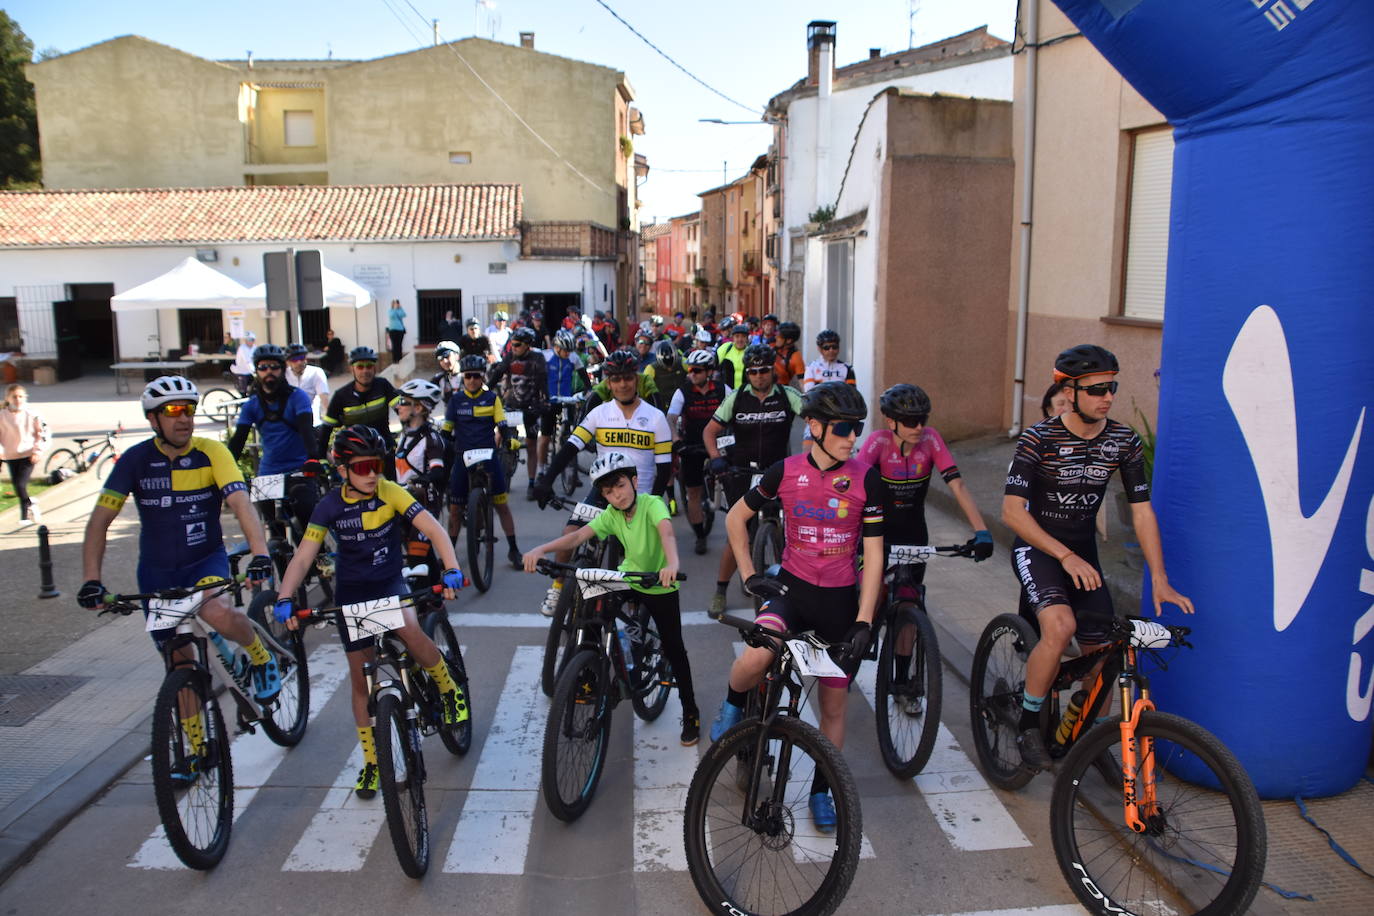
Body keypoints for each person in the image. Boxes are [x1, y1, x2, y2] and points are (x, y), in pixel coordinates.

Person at [1003, 344, 1193, 770]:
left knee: (1106, 650)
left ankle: (1085, 733)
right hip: (1040, 548)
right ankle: (1028, 723)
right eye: (1096, 389)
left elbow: (1142, 512)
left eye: (1113, 387)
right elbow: (1012, 512)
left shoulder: (1122, 440)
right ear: (1068, 392)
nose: (1107, 397)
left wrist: (1159, 577)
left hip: (1082, 553)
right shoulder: (1040, 438)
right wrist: (1065, 555)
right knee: (1059, 625)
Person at [709, 382, 886, 831]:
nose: (853, 437)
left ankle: (823, 791)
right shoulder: (785, 472)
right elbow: (735, 518)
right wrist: (748, 574)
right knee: (755, 657)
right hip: (790, 591)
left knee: (833, 707)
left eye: (858, 428)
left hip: (840, 602)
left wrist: (864, 622)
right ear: (815, 426)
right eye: (844, 428)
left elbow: (875, 557)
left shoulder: (867, 478)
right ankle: (732, 706)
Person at [272, 425, 467, 798]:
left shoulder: (390, 492)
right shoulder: (329, 505)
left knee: (411, 631)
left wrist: (452, 567)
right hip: (352, 595)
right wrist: (284, 597)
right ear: (342, 469)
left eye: (377, 465)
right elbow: (303, 557)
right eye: (362, 468)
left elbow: (436, 531)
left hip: (389, 584)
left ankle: (448, 687)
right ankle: (372, 763)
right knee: (360, 681)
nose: (373, 473)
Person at [78, 377, 280, 708]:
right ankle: (197, 753)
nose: (184, 418)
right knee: (180, 668)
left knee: (215, 610)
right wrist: (91, 580)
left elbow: (242, 503)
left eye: (188, 409)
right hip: (157, 574)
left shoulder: (211, 452)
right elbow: (99, 522)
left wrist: (259, 554)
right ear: (152, 419)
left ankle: (260, 656)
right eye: (173, 411)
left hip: (204, 559)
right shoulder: (136, 460)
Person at [523, 452, 700, 744]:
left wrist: (671, 564)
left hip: (658, 583)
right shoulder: (611, 515)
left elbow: (666, 533)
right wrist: (541, 550)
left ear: (633, 480)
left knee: (674, 649)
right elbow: (577, 538)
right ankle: (590, 668)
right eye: (607, 491)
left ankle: (690, 710)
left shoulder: (652, 504)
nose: (616, 495)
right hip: (628, 577)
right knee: (590, 602)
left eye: (619, 485)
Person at [532, 348, 673, 615]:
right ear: (608, 382)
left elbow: (664, 469)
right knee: (569, 533)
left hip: (639, 497)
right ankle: (558, 587)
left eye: (628, 378)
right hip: (603, 493)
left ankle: (634, 613)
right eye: (616, 379)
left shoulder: (655, 417)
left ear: (636, 380)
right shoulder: (600, 413)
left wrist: (652, 504)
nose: (622, 384)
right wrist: (546, 480)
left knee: (637, 568)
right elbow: (571, 447)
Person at [855, 383, 994, 597]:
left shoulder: (930, 439)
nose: (919, 427)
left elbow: (957, 484)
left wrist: (981, 532)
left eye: (923, 420)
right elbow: (853, 486)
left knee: (910, 599)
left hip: (914, 533)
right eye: (911, 422)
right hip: (877, 533)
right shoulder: (878, 442)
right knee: (872, 595)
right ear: (891, 422)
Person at [702, 343, 804, 616]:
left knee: (792, 528)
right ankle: (720, 590)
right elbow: (709, 432)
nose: (759, 376)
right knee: (737, 535)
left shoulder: (788, 395)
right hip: (742, 473)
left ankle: (791, 582)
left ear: (774, 371)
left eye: (764, 370)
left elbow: (816, 420)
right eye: (753, 371)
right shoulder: (735, 399)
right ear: (747, 373)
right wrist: (716, 458)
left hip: (780, 472)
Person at [444, 354, 523, 567]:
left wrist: (509, 440)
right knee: (454, 508)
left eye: (476, 376)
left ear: (482, 377)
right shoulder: (456, 400)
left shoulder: (492, 399)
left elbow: (502, 425)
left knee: (502, 505)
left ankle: (513, 549)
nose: (471, 380)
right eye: (468, 376)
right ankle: (448, 553)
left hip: (488, 455)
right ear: (463, 377)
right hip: (463, 456)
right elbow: (446, 430)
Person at [667, 348, 729, 555]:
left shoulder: (723, 390)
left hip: (719, 444)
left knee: (733, 484)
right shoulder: (682, 392)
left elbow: (738, 411)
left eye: (697, 370)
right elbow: (671, 419)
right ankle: (700, 536)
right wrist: (676, 440)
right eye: (690, 370)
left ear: (709, 372)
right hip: (691, 445)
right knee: (693, 492)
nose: (692, 373)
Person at [318, 346, 401, 477]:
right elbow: (326, 429)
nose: (365, 371)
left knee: (391, 490)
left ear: (374, 368)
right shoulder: (341, 396)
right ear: (352, 369)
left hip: (384, 450)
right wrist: (321, 457)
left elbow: (403, 410)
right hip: (355, 456)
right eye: (360, 367)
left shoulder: (383, 385)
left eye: (369, 366)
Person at [486, 326, 548, 499]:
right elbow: (497, 374)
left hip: (531, 406)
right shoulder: (510, 357)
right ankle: (492, 472)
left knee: (530, 444)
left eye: (517, 344)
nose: (513, 347)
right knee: (498, 436)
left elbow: (543, 381)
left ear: (528, 345)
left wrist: (546, 400)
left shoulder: (538, 357)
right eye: (512, 344)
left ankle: (531, 482)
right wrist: (484, 391)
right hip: (511, 403)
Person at [540, 329, 590, 474]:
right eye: (565, 351)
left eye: (570, 350)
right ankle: (541, 469)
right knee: (544, 437)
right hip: (550, 400)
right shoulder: (546, 357)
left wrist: (588, 390)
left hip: (568, 399)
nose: (568, 353)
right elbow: (539, 378)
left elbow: (584, 376)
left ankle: (572, 470)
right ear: (557, 347)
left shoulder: (573, 357)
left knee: (571, 436)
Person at [0, 384, 48, 525]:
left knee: (20, 484)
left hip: (28, 454)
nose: (18, 399)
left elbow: (41, 434)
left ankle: (26, 510)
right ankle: (28, 508)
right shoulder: (2, 416)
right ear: (7, 398)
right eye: (14, 396)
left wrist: (37, 451)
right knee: (17, 485)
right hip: (10, 454)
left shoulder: (32, 415)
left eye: (20, 396)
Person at [284, 343, 331, 423]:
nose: (299, 362)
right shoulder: (284, 375)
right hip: (289, 422)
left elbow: (324, 400)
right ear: (287, 362)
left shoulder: (316, 372)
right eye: (294, 359)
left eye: (302, 358)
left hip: (312, 421)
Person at [715, 323, 751, 389]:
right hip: (727, 393)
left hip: (746, 392)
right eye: (737, 336)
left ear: (747, 338)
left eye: (743, 336)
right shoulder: (724, 349)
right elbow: (714, 369)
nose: (740, 339)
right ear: (733, 337)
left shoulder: (751, 352)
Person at [773, 321, 806, 387]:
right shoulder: (771, 345)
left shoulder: (796, 357)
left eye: (779, 336)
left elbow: (802, 382)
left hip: (781, 389)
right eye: (776, 334)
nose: (775, 337)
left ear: (789, 340)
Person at [230, 331, 257, 396]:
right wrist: (254, 372)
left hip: (249, 371)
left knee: (255, 388)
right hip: (241, 372)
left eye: (251, 339)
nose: (248, 341)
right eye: (247, 339)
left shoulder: (254, 347)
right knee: (243, 393)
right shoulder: (242, 348)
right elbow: (248, 362)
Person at [386, 299, 407, 363]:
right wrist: (395, 308)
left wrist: (400, 307)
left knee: (399, 345)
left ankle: (400, 359)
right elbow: (391, 316)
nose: (396, 304)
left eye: (397, 303)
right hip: (392, 330)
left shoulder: (400, 310)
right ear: (392, 304)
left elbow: (404, 315)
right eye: (395, 303)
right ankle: (395, 359)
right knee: (394, 345)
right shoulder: (390, 310)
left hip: (400, 330)